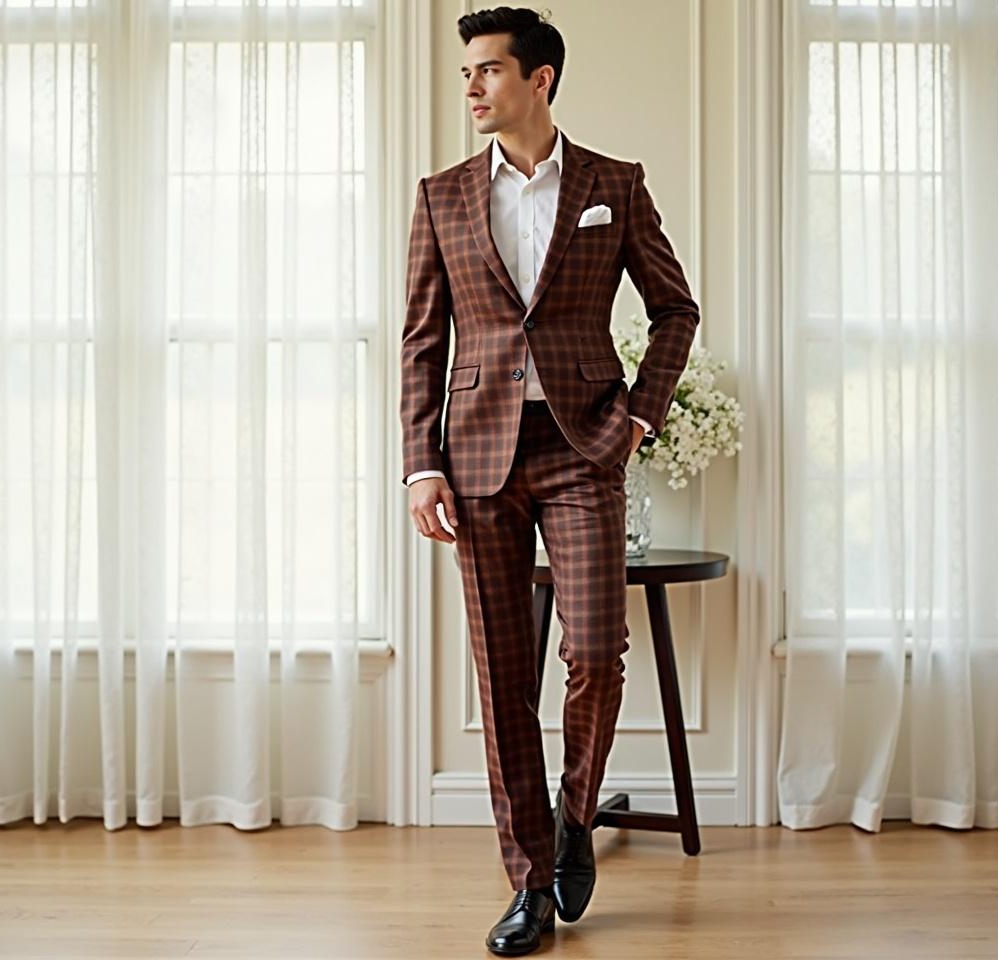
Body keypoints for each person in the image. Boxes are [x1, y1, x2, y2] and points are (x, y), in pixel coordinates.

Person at [399, 6, 699, 955]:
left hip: (583, 447)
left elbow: (674, 309)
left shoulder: (615, 183)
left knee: (596, 656)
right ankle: (530, 879)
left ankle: (574, 817)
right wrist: (420, 464)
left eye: (488, 70)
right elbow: (421, 343)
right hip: (477, 457)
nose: (473, 87)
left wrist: (637, 418)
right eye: (465, 73)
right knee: (501, 682)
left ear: (542, 80)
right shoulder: (443, 194)